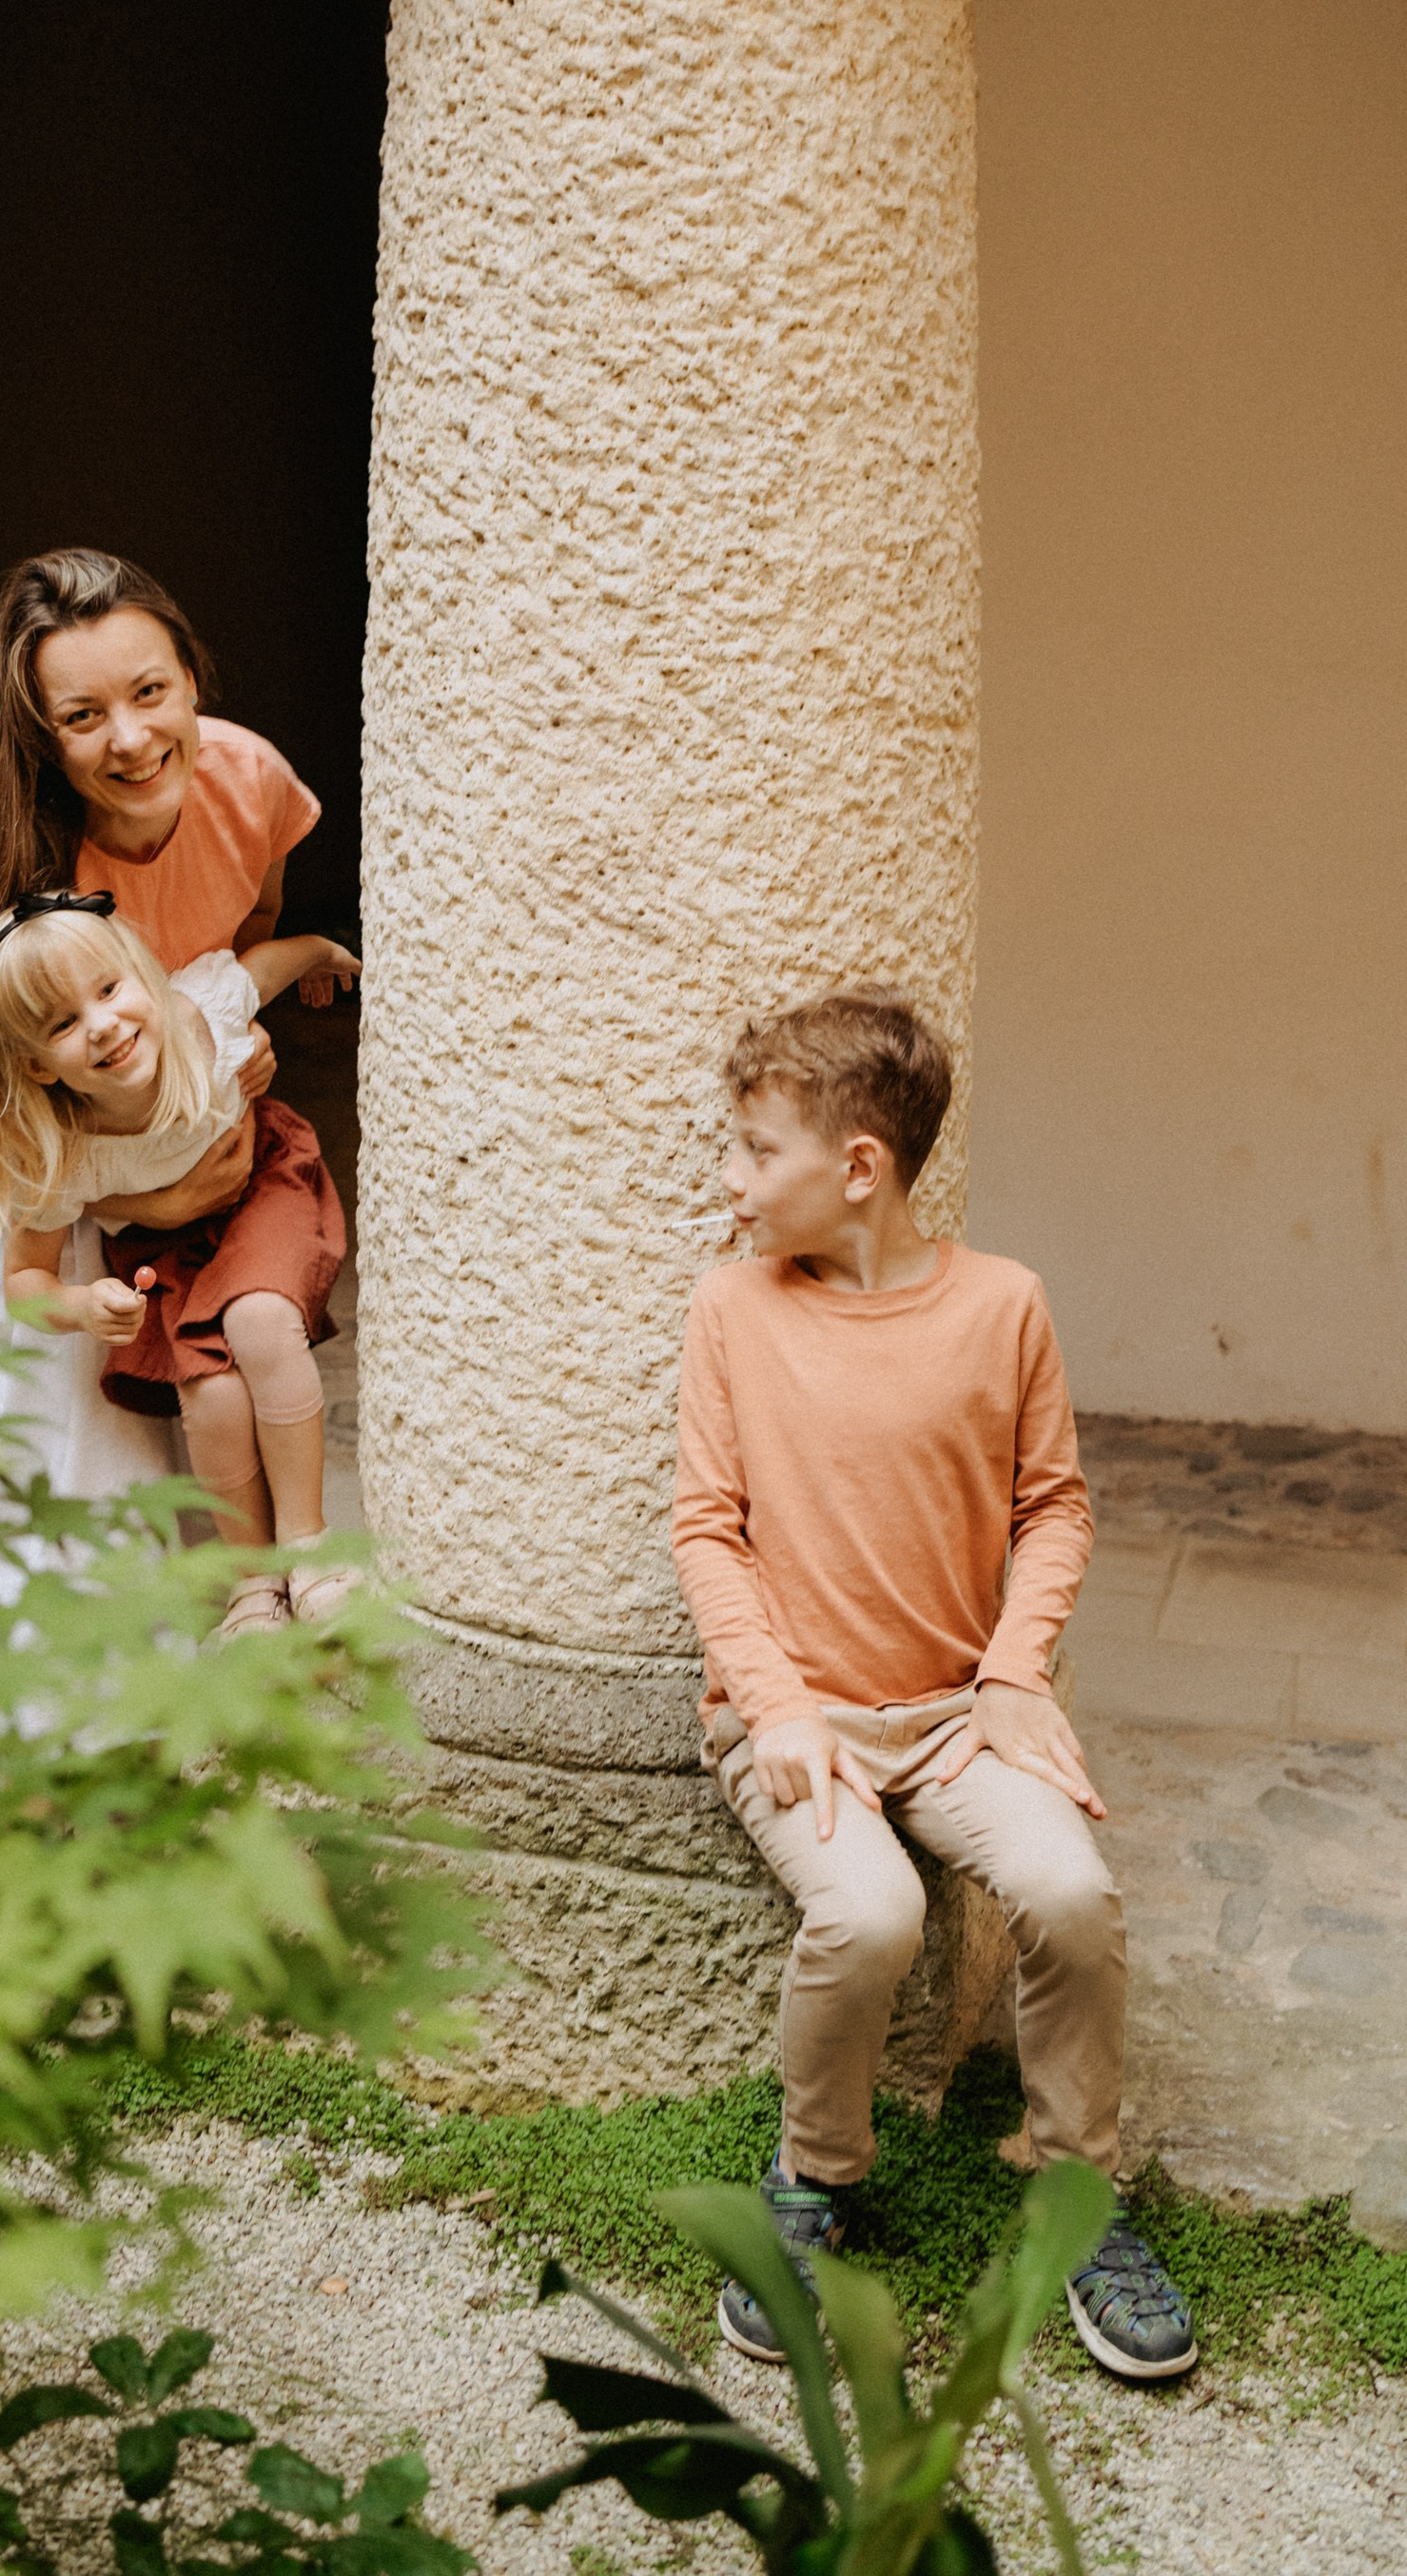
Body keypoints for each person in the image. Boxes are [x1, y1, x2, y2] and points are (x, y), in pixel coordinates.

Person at [672, 989, 1196, 2384]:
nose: (728, 1181)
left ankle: (1079, 2192)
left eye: (750, 1150)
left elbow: (1056, 1508)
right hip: (804, 1721)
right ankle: (816, 2182)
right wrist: (776, 1705)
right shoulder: (732, 1311)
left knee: (1074, 1895)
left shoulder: (1003, 1304)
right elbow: (706, 1529)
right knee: (872, 1911)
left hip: (965, 1716)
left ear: (859, 1167)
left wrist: (1015, 1674)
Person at [0, 548, 345, 1511]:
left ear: (192, 677)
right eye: (81, 716)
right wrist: (145, 1197)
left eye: (151, 690)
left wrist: (226, 1062)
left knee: (216, 1491)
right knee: (76, 1528)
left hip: (184, 1152)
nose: (132, 739)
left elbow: (250, 943)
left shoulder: (250, 778)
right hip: (43, 1200)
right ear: (41, 738)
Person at [0, 896, 358, 1624]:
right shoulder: (59, 1153)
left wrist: (321, 950)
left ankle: (308, 1546)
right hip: (165, 1248)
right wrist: (79, 1304)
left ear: (142, 976)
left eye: (108, 990)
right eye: (63, 1024)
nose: (102, 1024)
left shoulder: (200, 1020)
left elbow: (261, 969)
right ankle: (251, 1583)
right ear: (38, 1067)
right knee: (212, 1394)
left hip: (260, 1182)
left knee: (262, 1322)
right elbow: (23, 1282)